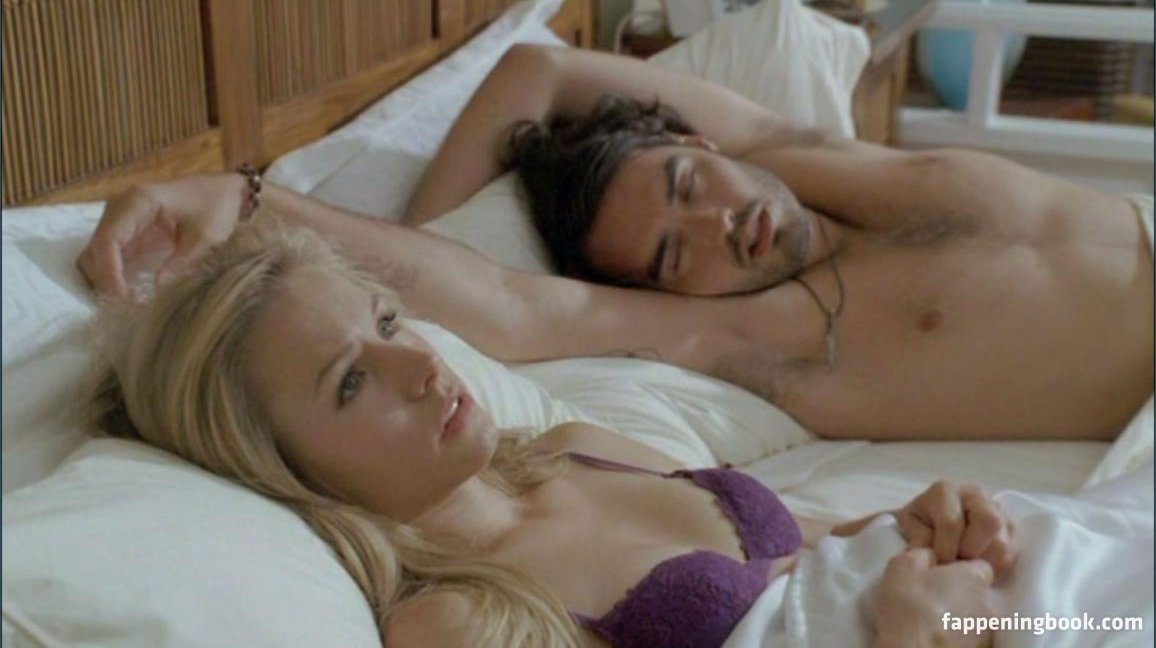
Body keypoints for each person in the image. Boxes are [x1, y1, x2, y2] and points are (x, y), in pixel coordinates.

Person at [78, 45, 1153, 443]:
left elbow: (537, 67)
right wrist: (249, 197)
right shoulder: (766, 335)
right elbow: (522, 307)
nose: (718, 225)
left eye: (686, 186)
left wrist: (424, 220)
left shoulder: (811, 157)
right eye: (677, 258)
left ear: (697, 140)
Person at [93, 220, 1015, 648]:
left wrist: (920, 520)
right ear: (279, 468)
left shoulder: (578, 445)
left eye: (387, 322)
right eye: (351, 382)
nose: (421, 366)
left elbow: (812, 550)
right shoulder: (455, 622)